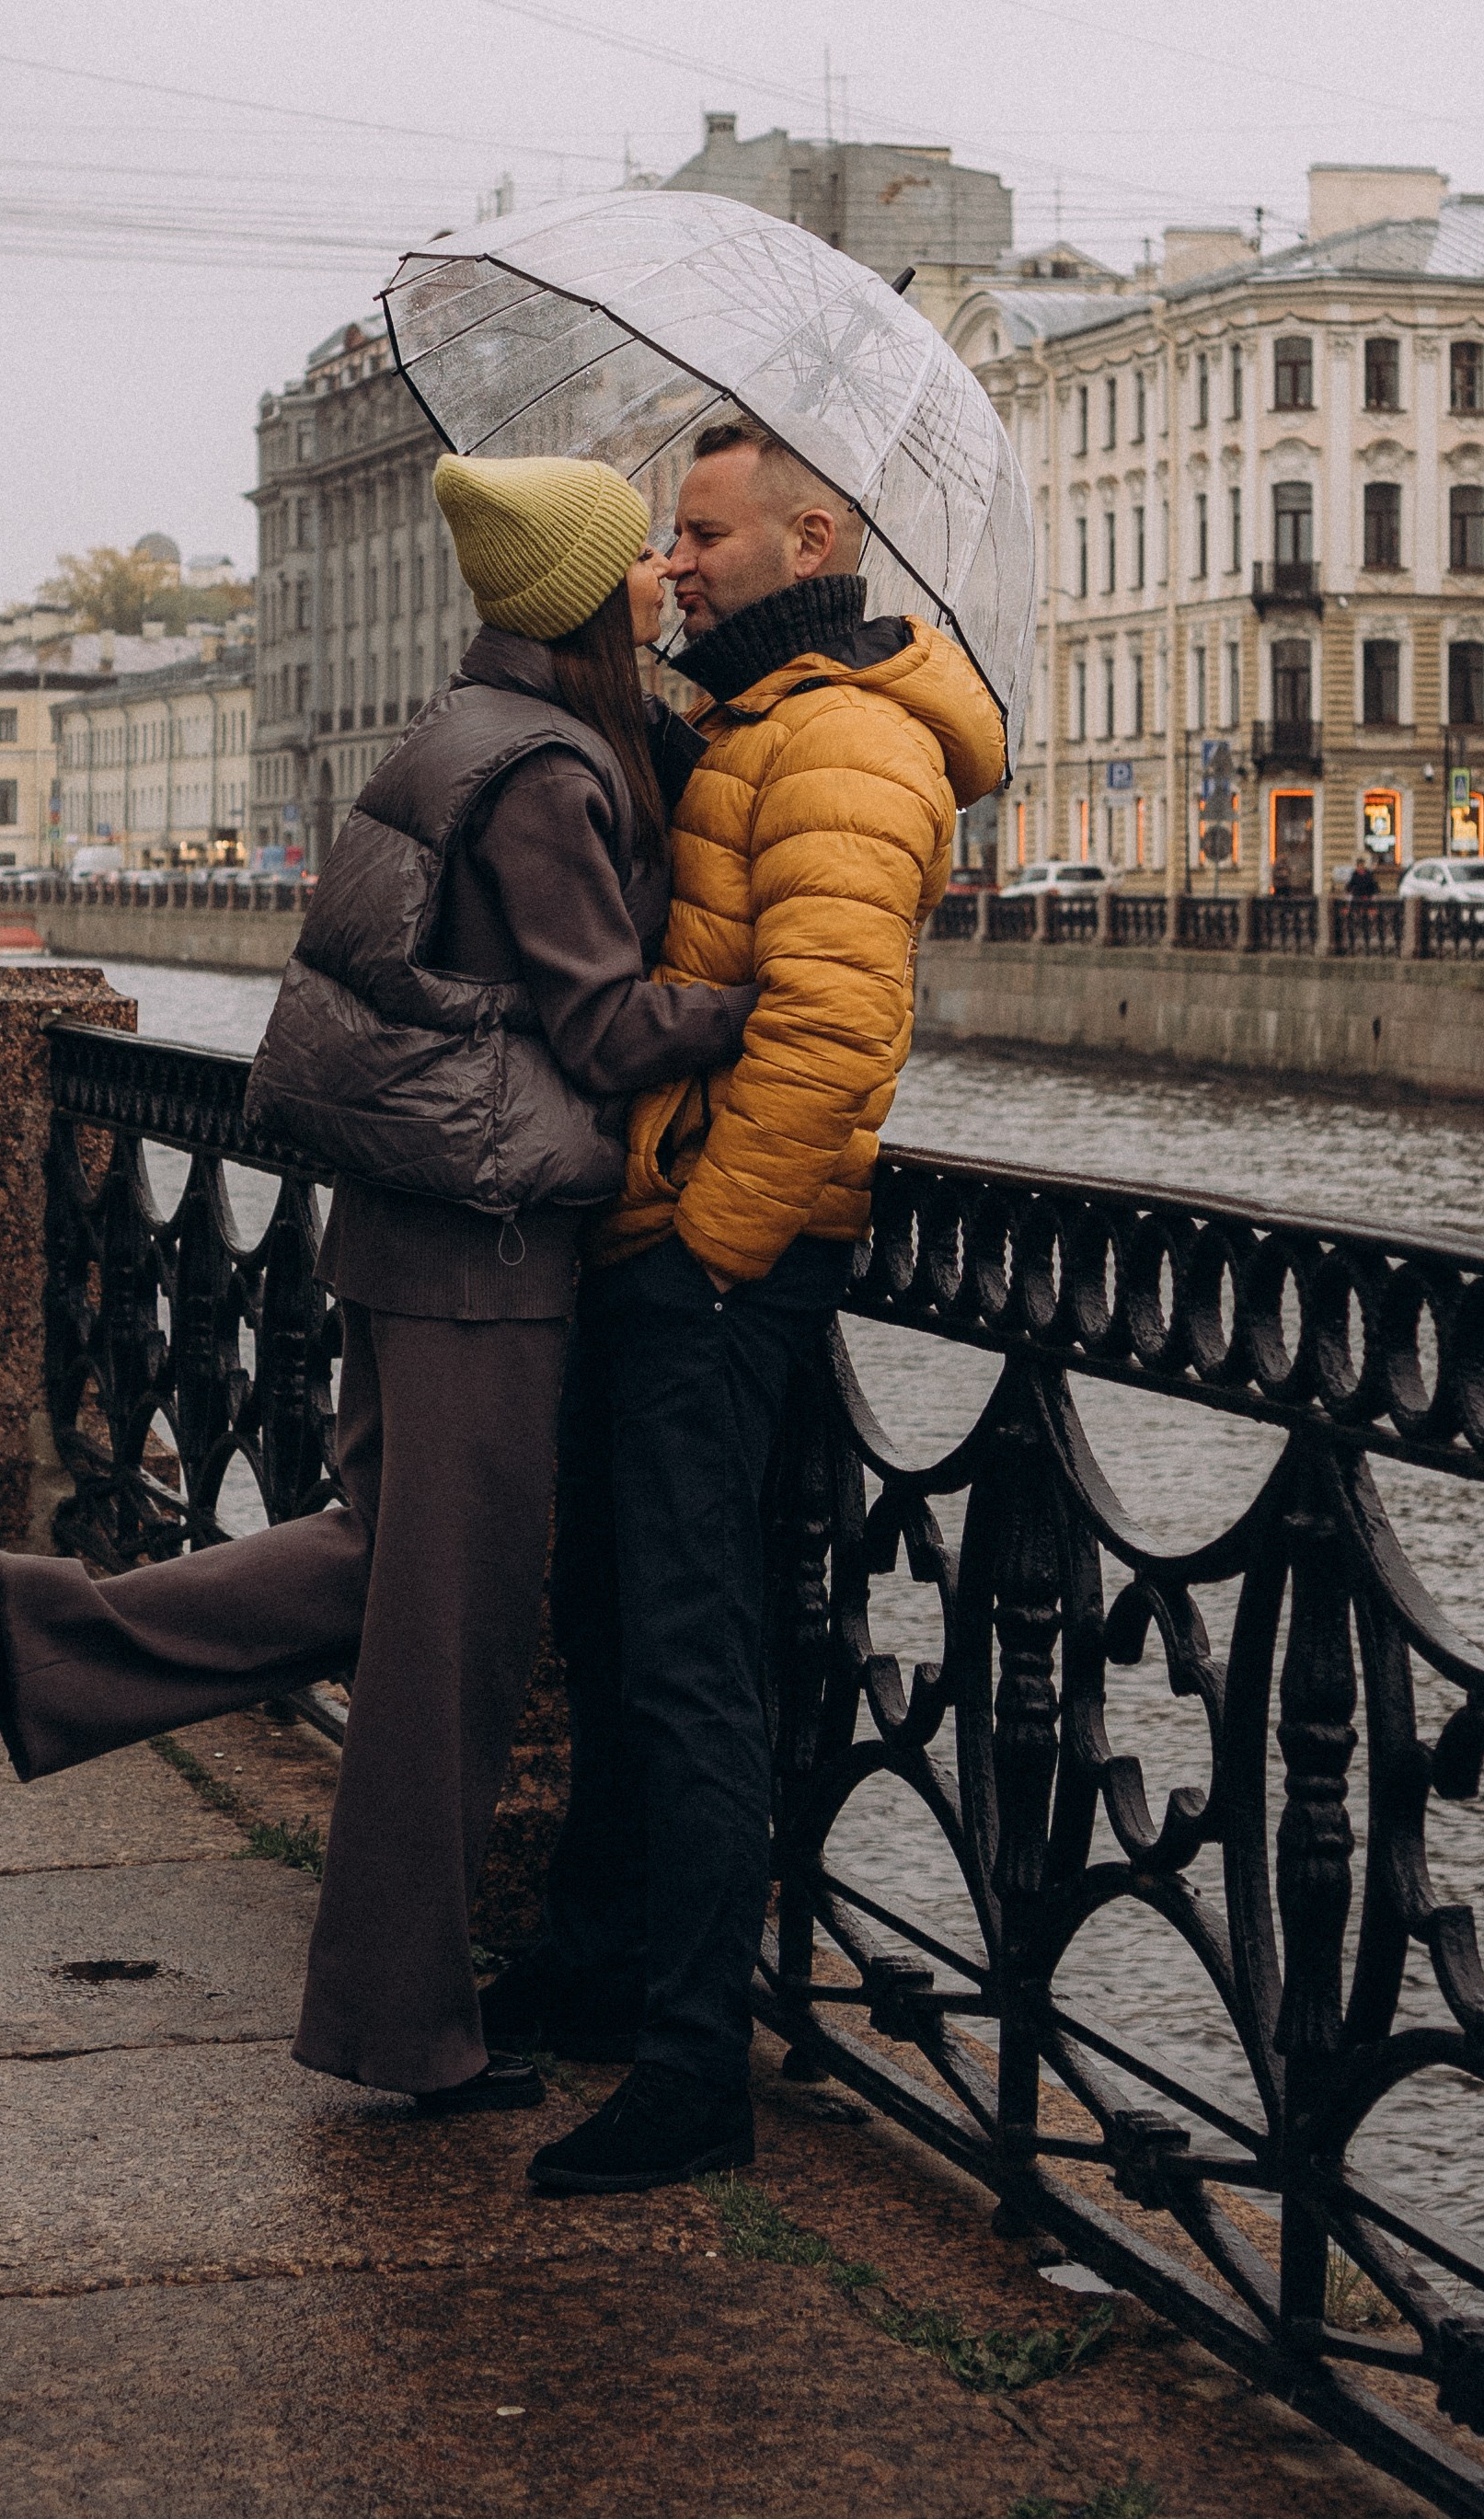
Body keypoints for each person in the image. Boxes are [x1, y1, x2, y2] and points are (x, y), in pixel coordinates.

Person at [0, 454, 754, 2116]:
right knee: (452, 1639)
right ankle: (398, 2023)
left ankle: (35, 1631)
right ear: (584, 592)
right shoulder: (554, 775)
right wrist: (753, 997)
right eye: (636, 554)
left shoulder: (463, 733)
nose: (661, 571)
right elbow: (602, 1025)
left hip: (398, 1226)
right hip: (487, 1250)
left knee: (384, 1572)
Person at [491, 416, 1009, 2200]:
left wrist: (705, 1247)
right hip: (674, 1247)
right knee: (633, 1626)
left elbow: (827, 1027)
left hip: (722, 1269)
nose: (673, 561)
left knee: (696, 1657)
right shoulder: (756, 721)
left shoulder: (849, 738)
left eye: (701, 533)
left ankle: (693, 2063)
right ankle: (597, 1971)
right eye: (665, 533)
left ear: (805, 539)